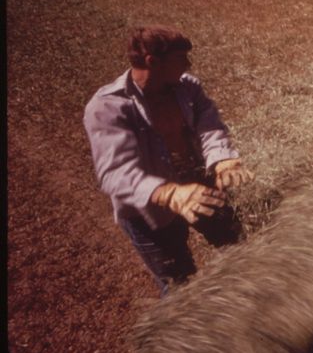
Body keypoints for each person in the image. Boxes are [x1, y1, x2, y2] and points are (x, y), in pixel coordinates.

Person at [84, 26, 255, 296]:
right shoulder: (108, 107)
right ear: (153, 61)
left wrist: (223, 160)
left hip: (199, 187)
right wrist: (169, 193)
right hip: (149, 210)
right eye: (181, 59)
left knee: (241, 245)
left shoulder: (188, 87)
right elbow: (114, 172)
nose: (189, 64)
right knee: (181, 289)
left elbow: (208, 126)